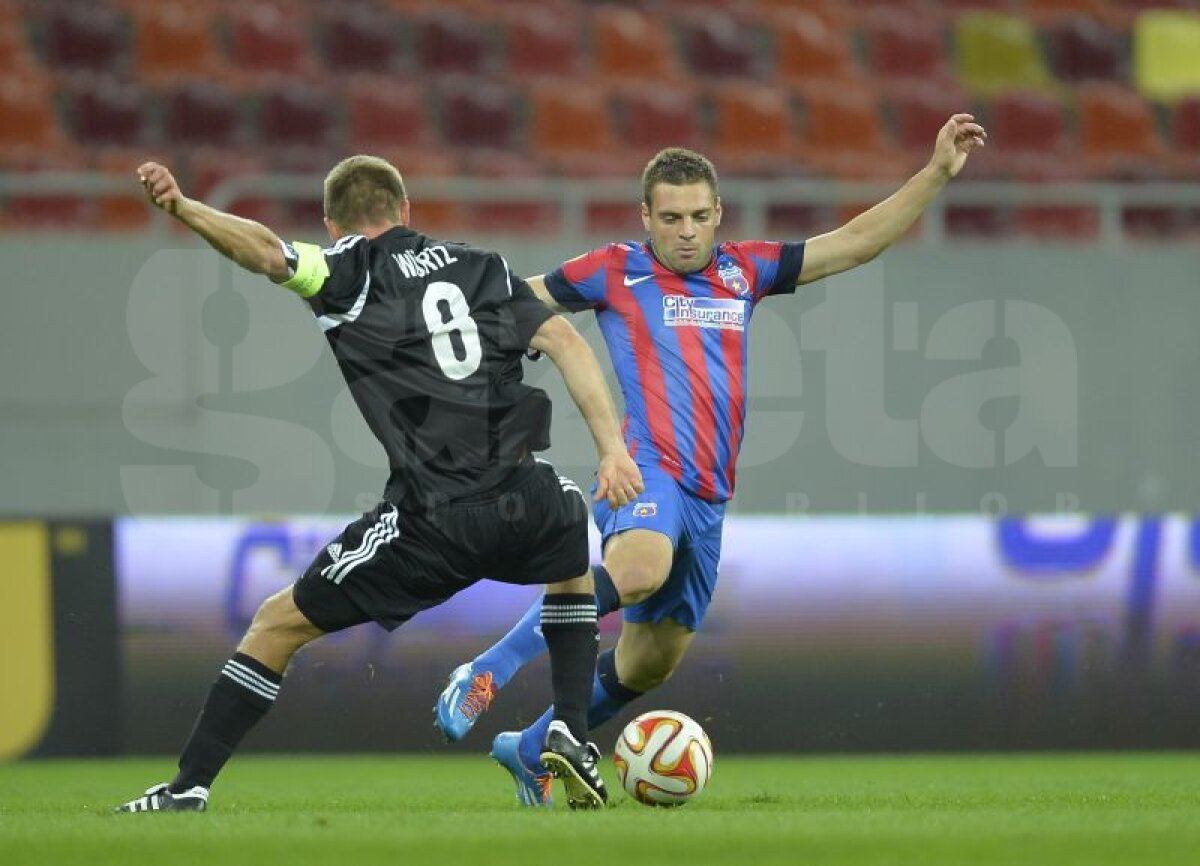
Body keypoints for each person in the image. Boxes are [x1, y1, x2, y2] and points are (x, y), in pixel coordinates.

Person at [435, 115, 988, 805]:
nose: (687, 230)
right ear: (646, 216)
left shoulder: (744, 271)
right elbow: (518, 301)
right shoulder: (612, 270)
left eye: (699, 216)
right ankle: (487, 669)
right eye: (671, 218)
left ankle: (531, 748)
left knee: (648, 663)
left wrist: (934, 173)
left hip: (709, 494)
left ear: (718, 213)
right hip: (644, 469)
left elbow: (852, 245)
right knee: (637, 570)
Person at [116, 155, 643, 813]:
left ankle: (187, 789)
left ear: (333, 223)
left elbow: (265, 254)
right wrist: (613, 450)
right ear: (406, 211)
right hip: (523, 499)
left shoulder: (345, 272)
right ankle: (567, 721)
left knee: (276, 624)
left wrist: (185, 208)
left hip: (435, 519)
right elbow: (565, 338)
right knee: (568, 523)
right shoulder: (485, 269)